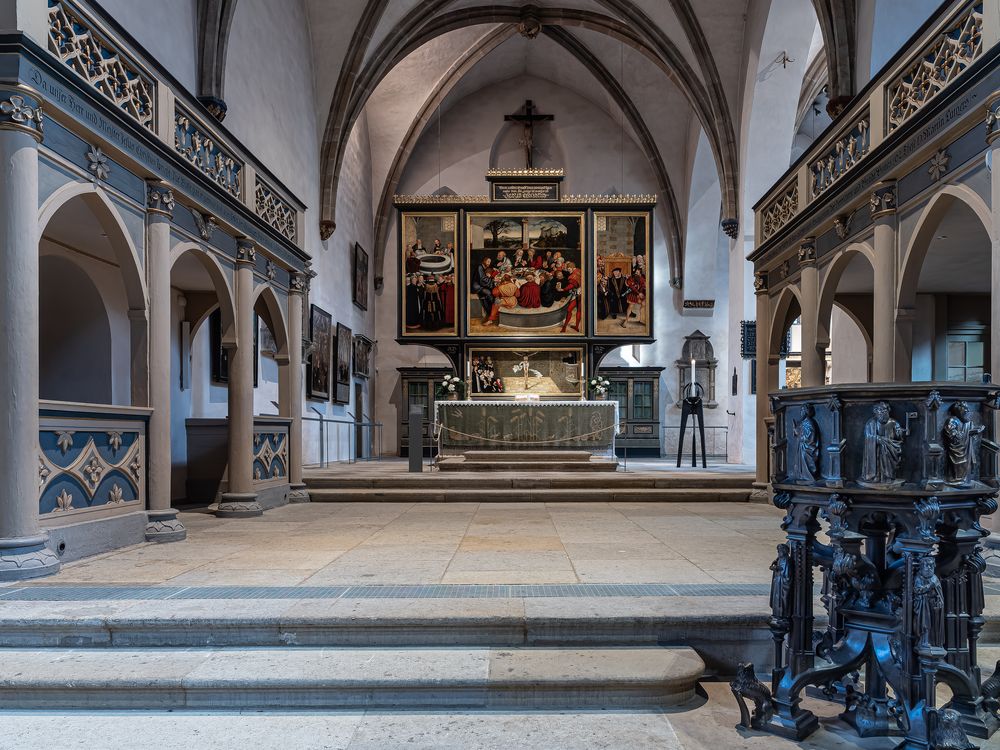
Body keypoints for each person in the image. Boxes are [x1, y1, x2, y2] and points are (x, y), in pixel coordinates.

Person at [943, 400, 985, 486]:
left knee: (966, 463)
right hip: (957, 449)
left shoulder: (968, 423)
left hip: (966, 448)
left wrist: (975, 432)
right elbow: (951, 434)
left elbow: (973, 436)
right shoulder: (952, 420)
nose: (967, 411)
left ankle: (963, 479)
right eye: (964, 409)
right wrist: (960, 435)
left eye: (967, 409)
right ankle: (955, 479)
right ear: (958, 410)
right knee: (958, 463)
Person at [861, 401, 903, 485]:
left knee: (886, 454)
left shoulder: (894, 423)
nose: (882, 412)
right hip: (875, 448)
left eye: (884, 409)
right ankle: (876, 476)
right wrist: (877, 439)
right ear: (875, 411)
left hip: (889, 448)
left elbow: (899, 438)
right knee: (877, 457)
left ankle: (888, 476)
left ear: (888, 410)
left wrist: (899, 433)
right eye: (880, 410)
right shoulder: (870, 423)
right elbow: (868, 436)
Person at [791, 404, 820, 481]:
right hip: (801, 446)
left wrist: (800, 435)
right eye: (801, 410)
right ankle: (801, 476)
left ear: (806, 412)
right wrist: (795, 429)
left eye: (802, 410)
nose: (801, 412)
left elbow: (810, 437)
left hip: (807, 448)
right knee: (800, 461)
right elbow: (799, 433)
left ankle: (807, 476)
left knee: (805, 458)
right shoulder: (803, 422)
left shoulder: (809, 422)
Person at [559, 261, 582, 333]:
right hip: (582, 293)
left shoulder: (572, 276)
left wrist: (563, 289)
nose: (568, 271)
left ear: (572, 268)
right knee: (579, 311)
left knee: (569, 310)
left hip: (577, 294)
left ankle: (564, 327)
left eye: (569, 269)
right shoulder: (579, 270)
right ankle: (576, 327)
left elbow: (572, 285)